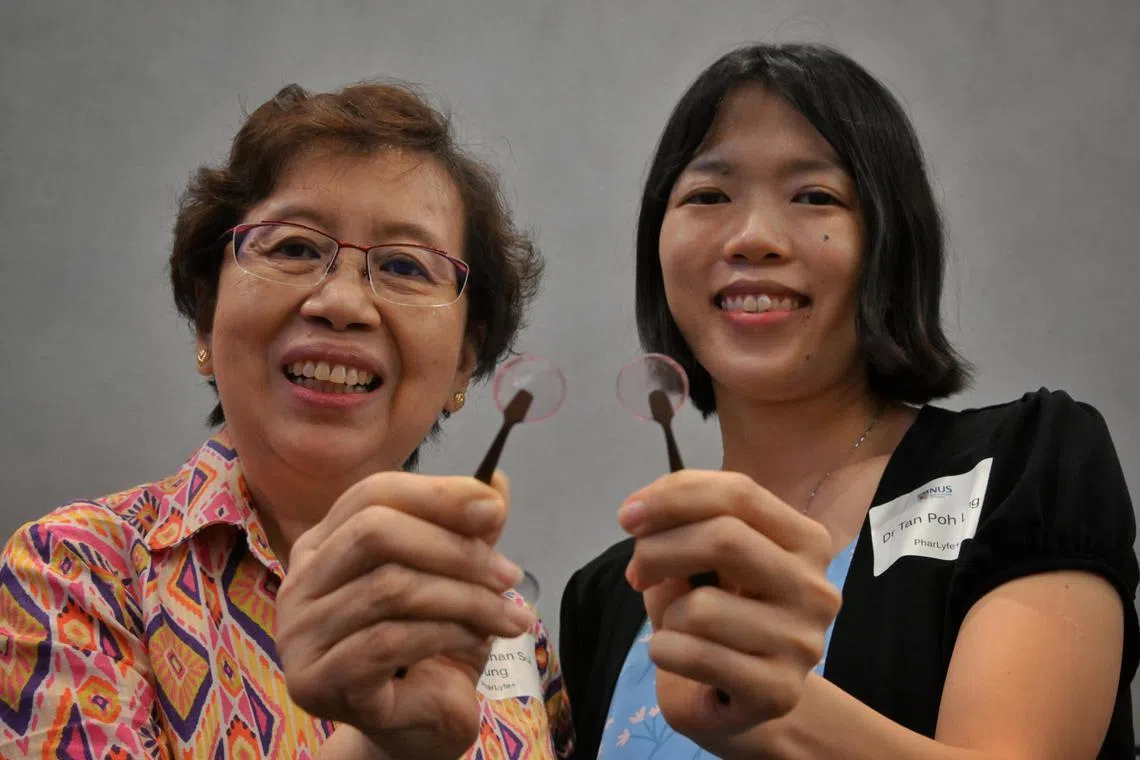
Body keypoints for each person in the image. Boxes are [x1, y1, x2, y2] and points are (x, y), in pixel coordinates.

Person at [560, 43, 1137, 759]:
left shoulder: (1024, 467)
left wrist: (773, 714)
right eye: (708, 196)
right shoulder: (610, 596)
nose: (755, 239)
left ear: (890, 241)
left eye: (816, 197)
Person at [0, 82, 573, 759]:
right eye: (295, 248)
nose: (341, 303)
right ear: (206, 316)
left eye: (404, 266)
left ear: (461, 366)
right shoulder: (77, 574)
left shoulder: (506, 629)